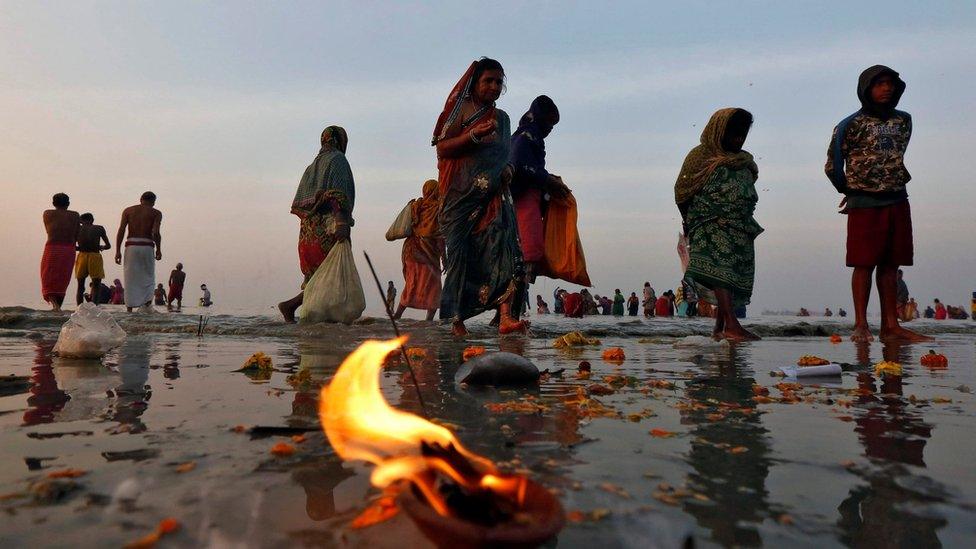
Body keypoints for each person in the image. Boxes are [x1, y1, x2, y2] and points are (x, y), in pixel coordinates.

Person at [825, 65, 931, 343]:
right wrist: (849, 190)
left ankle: (891, 326)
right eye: (879, 84)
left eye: (890, 84)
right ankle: (861, 324)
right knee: (863, 263)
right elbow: (833, 164)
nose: (886, 88)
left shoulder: (904, 121)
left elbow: (898, 154)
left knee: (890, 263)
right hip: (864, 201)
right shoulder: (850, 124)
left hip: (897, 198)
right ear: (867, 89)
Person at [433, 58, 527, 336]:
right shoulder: (460, 111)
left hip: (495, 192)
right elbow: (441, 148)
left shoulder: (503, 119)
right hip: (460, 196)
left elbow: (506, 156)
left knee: (505, 246)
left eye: (499, 82)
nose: (495, 86)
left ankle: (507, 316)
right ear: (475, 82)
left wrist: (509, 168)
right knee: (461, 255)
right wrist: (472, 136)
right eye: (489, 80)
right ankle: (455, 320)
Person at [676, 108, 763, 341]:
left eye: (742, 134)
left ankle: (720, 328)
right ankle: (732, 325)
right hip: (709, 221)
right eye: (734, 133)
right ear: (719, 130)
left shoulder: (743, 159)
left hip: (740, 225)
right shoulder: (700, 156)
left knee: (732, 274)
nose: (739, 139)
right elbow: (683, 191)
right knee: (721, 272)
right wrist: (689, 222)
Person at [278, 126, 355, 323]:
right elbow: (337, 194)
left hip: (308, 234)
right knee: (330, 277)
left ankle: (299, 311)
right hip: (326, 230)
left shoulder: (312, 166)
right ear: (340, 141)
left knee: (318, 278)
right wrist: (341, 221)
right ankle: (295, 308)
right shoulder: (337, 159)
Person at [510, 95, 570, 284]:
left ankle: (510, 309)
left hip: (526, 198)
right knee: (527, 250)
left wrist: (548, 179)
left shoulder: (529, 136)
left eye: (553, 126)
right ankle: (508, 310)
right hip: (522, 198)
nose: (549, 130)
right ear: (539, 117)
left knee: (528, 251)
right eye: (549, 123)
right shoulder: (525, 136)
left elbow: (533, 167)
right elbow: (520, 164)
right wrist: (548, 181)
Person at [394, 180, 444, 321]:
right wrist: (444, 256)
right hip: (429, 254)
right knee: (433, 286)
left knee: (412, 284)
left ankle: (397, 315)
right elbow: (440, 234)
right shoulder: (439, 209)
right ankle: (428, 319)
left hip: (412, 252)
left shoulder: (416, 206)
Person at [115, 191, 162, 312]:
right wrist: (159, 249)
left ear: (141, 199)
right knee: (148, 277)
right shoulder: (156, 213)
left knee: (130, 278)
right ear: (153, 202)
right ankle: (146, 307)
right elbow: (156, 232)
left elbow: (121, 230)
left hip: (131, 245)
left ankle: (129, 309)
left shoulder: (128, 210)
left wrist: (117, 251)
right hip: (147, 245)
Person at [40, 193, 80, 311]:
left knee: (48, 277)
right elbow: (77, 234)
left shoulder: (48, 213)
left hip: (53, 247)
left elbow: (48, 230)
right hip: (69, 249)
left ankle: (55, 306)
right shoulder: (75, 215)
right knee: (63, 278)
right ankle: (57, 307)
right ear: (68, 203)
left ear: (53, 203)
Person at [73, 212, 110, 306]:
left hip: (82, 256)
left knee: (80, 286)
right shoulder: (99, 228)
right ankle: (94, 308)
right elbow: (108, 246)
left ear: (81, 221)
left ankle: (79, 308)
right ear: (92, 220)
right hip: (95, 256)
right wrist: (101, 247)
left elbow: (73, 246)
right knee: (96, 285)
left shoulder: (77, 229)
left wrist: (80, 247)